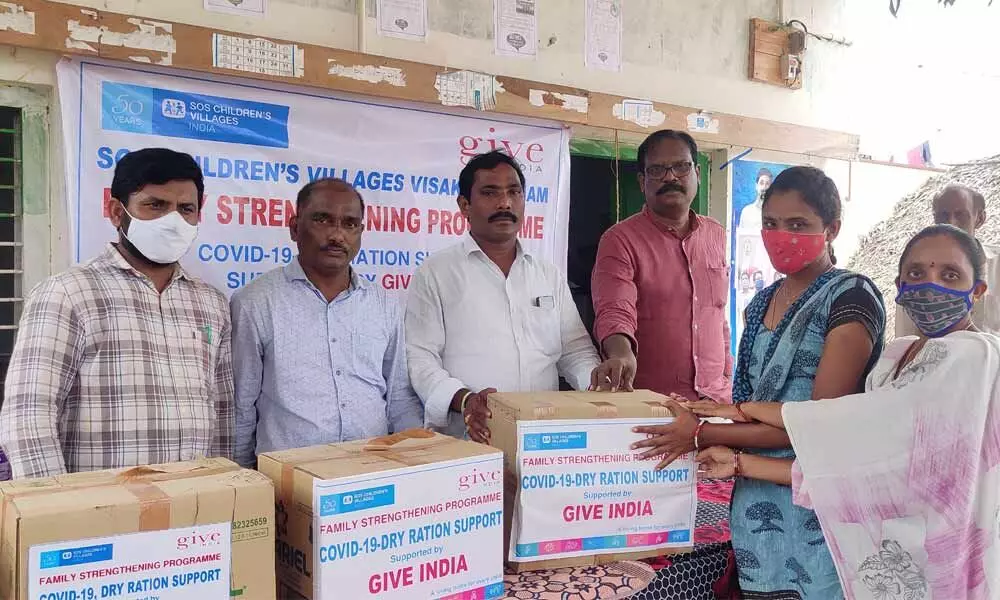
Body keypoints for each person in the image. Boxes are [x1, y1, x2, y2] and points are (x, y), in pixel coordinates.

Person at [692, 224, 997, 599]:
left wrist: (737, 415)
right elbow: (857, 458)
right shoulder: (898, 355)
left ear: (978, 290)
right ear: (900, 286)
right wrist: (740, 451)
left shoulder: (972, 355)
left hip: (941, 560)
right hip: (900, 554)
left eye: (950, 275)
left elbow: (857, 434)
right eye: (916, 274)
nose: (930, 285)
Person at [630, 166, 886, 599]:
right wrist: (701, 421)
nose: (780, 235)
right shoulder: (763, 302)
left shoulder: (850, 298)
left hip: (820, 513)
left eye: (798, 225)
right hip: (754, 509)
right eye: (770, 223)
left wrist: (699, 434)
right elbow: (751, 402)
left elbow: (819, 425)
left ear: (832, 228)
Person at [0, 148, 233, 479]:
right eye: (156, 205)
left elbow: (222, 413)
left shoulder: (211, 303)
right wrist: (56, 511)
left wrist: (224, 490)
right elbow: (28, 417)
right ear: (115, 211)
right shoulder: (68, 294)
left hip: (193, 509)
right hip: (102, 514)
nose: (173, 221)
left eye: (186, 209)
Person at [405, 151, 608, 441]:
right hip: (471, 437)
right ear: (464, 205)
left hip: (545, 439)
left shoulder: (547, 274)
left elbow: (574, 350)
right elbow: (420, 359)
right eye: (490, 193)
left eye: (514, 192)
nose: (504, 203)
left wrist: (600, 387)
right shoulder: (436, 273)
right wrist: (465, 400)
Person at [230, 178, 422, 467]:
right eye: (323, 220)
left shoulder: (384, 303)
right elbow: (242, 406)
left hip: (373, 475)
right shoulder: (256, 302)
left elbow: (399, 398)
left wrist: (414, 464)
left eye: (349, 224)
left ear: (361, 232)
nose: (337, 235)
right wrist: (245, 480)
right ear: (295, 228)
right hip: (288, 479)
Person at [591, 130, 732, 403]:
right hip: (653, 406)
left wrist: (726, 376)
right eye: (657, 170)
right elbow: (615, 309)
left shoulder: (715, 234)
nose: (670, 177)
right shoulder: (619, 240)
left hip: (716, 402)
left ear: (698, 174)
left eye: (681, 166)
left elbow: (717, 312)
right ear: (643, 182)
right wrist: (620, 353)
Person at [896, 184, 1000, 336]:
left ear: (980, 218)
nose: (951, 223)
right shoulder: (916, 274)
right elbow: (908, 336)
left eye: (961, 215)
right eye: (943, 216)